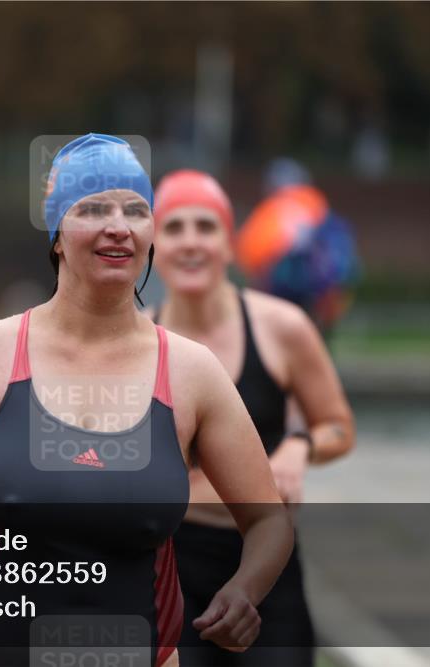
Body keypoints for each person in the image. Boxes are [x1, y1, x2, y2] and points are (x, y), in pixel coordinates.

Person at [0, 134, 294, 667]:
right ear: (56, 235)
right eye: (93, 208)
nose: (118, 226)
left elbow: (269, 521)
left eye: (136, 211)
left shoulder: (192, 373)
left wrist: (244, 589)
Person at [149, 169, 356, 666]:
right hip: (170, 563)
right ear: (153, 244)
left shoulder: (281, 327)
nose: (191, 242)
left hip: (265, 558)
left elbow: (338, 427)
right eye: (175, 228)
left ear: (230, 242)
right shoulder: (137, 340)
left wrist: (299, 445)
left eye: (206, 226)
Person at [235, 159, 360, 336]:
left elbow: (249, 254)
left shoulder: (270, 213)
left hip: (280, 297)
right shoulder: (321, 209)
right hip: (320, 299)